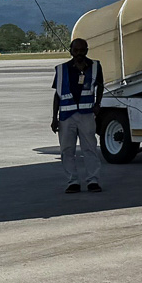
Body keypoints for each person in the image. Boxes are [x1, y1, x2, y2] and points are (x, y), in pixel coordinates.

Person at [51, 37, 104, 193]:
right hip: (66, 116)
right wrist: (54, 118)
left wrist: (98, 104)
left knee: (90, 149)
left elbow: (101, 86)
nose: (79, 53)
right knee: (67, 150)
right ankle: (73, 181)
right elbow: (57, 95)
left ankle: (93, 181)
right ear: (71, 51)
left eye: (82, 50)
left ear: (87, 50)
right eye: (76, 50)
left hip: (87, 114)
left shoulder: (95, 67)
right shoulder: (62, 69)